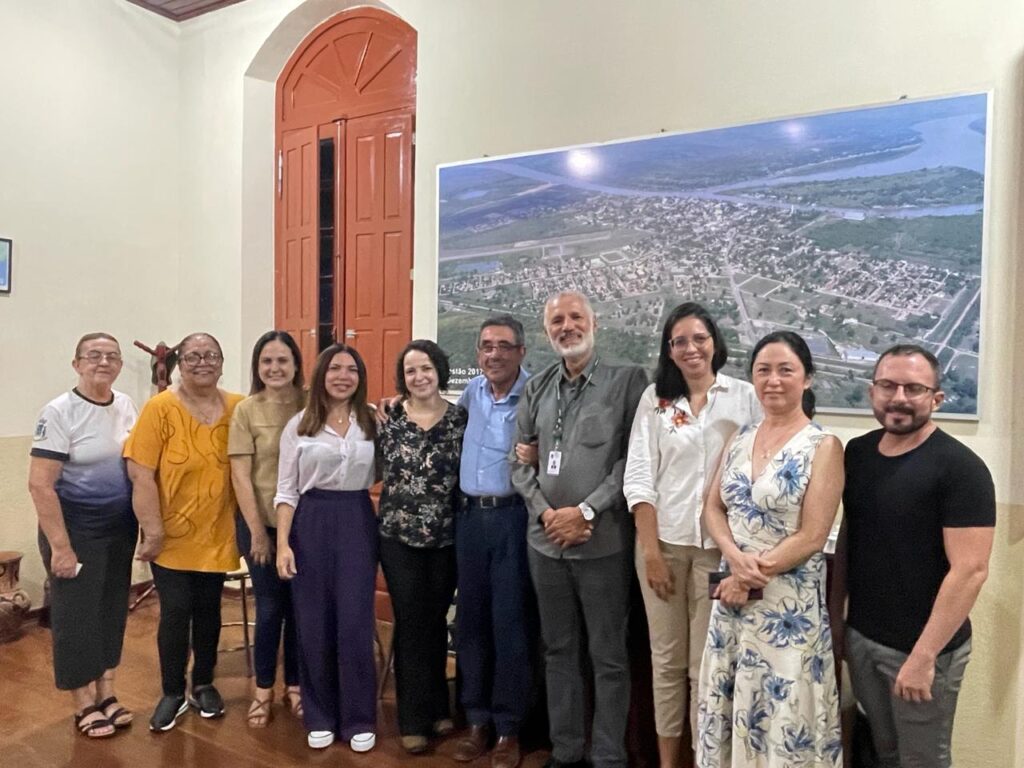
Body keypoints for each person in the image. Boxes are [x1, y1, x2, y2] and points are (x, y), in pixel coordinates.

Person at [835, 344, 995, 768]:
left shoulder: (962, 470)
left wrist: (923, 659)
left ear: (936, 398)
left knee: (923, 760)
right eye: (888, 385)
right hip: (864, 640)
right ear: (872, 391)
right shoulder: (859, 454)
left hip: (925, 653)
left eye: (913, 388)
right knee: (886, 754)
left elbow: (970, 571)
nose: (899, 397)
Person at [511, 291, 648, 768]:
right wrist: (548, 515)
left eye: (574, 318)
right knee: (557, 651)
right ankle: (566, 751)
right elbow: (520, 461)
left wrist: (585, 512)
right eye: (556, 321)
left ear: (594, 322)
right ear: (547, 330)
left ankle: (608, 756)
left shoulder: (627, 381)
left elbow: (633, 461)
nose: (566, 327)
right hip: (544, 544)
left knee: (608, 656)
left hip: (603, 544)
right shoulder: (538, 387)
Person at [697, 330, 844, 768]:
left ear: (807, 378)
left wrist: (748, 574)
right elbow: (712, 507)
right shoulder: (739, 437)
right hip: (732, 601)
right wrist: (733, 562)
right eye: (764, 370)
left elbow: (814, 535)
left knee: (784, 718)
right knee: (730, 708)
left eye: (786, 370)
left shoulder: (824, 446)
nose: (773, 380)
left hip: (787, 611)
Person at [623, 303, 761, 768]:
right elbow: (639, 478)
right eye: (679, 341)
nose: (690, 348)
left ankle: (705, 760)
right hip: (660, 549)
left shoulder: (743, 397)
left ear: (714, 343)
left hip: (717, 556)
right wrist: (651, 553)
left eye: (699, 338)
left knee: (706, 668)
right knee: (666, 665)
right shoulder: (655, 401)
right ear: (669, 350)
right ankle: (667, 762)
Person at [124, 332, 243, 732]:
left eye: (211, 354)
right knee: (175, 614)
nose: (202, 362)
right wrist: (152, 530)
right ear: (179, 364)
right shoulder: (159, 409)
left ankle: (204, 683)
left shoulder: (239, 407)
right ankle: (172, 691)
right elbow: (140, 474)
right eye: (192, 356)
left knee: (209, 612)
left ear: (222, 362)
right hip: (169, 534)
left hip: (217, 531)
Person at [28, 333, 139, 738]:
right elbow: (40, 485)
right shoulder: (59, 412)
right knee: (75, 617)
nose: (103, 362)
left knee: (111, 610)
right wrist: (60, 546)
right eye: (94, 356)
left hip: (119, 528)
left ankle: (107, 690)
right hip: (73, 530)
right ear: (76, 364)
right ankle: (82, 701)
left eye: (112, 356)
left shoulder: (126, 405)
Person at [274, 343, 379, 753]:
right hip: (310, 520)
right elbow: (286, 490)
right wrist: (284, 543)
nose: (342, 376)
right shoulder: (299, 425)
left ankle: (359, 717)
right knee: (313, 620)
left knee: (354, 621)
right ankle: (319, 714)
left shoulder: (373, 422)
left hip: (356, 518)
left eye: (351, 369)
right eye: (334, 368)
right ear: (320, 375)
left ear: (360, 377)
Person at [450, 315, 534, 768]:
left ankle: (508, 729)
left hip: (513, 520)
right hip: (469, 522)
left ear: (522, 352)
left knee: (510, 626)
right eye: (486, 346)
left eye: (504, 346)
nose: (494, 354)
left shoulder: (536, 395)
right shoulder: (471, 394)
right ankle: (476, 719)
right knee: (472, 624)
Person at [377, 339, 468, 754]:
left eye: (426, 368)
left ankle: (437, 706)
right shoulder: (389, 416)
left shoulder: (460, 420)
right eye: (411, 371)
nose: (419, 377)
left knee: (435, 622)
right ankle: (412, 719)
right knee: (411, 622)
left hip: (447, 537)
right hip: (399, 538)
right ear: (403, 378)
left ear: (439, 371)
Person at [228, 331, 306, 727]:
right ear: (258, 368)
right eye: (266, 362)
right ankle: (262, 689)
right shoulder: (246, 410)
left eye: (282, 361)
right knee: (271, 607)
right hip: (261, 525)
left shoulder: (313, 405)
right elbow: (241, 476)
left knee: (298, 610)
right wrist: (258, 533)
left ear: (296, 365)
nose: (275, 368)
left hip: (304, 529)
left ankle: (295, 684)